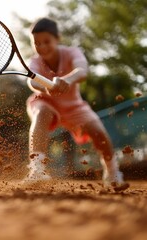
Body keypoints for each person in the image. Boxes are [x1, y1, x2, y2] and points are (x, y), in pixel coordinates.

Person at [24, 18, 129, 190]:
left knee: (99, 133)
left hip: (74, 106)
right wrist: (46, 88)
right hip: (45, 101)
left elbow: (82, 70)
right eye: (37, 43)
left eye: (46, 41)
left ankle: (112, 174)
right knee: (41, 113)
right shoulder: (35, 61)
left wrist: (66, 80)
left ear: (58, 38)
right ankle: (37, 170)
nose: (42, 47)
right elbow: (32, 83)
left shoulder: (72, 52)